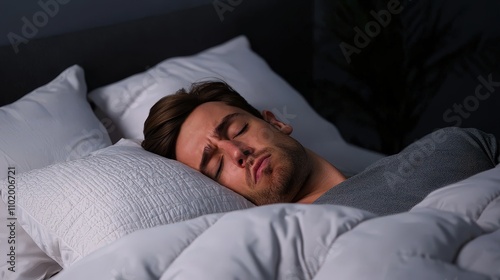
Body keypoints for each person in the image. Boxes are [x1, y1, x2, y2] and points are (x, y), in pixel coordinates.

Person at [142, 80, 500, 215]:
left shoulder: (451, 146)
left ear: (275, 122)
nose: (237, 152)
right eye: (217, 166)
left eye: (237, 129)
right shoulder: (286, 240)